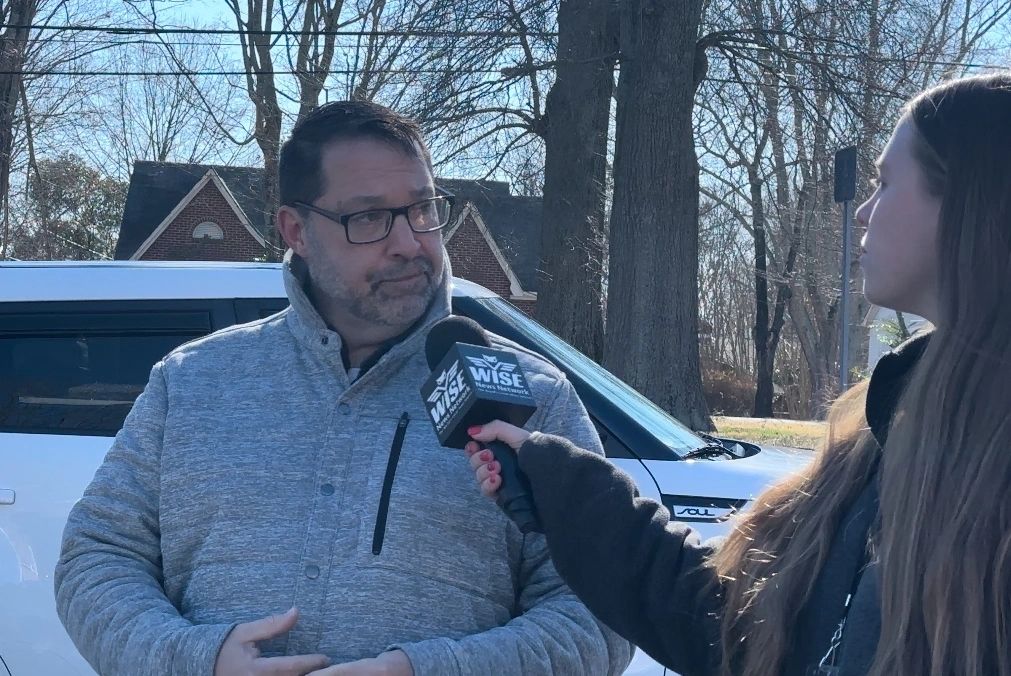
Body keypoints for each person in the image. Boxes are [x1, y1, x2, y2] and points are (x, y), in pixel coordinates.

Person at [54, 101, 632, 676]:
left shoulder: (535, 396)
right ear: (296, 230)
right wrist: (196, 660)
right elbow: (99, 558)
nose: (409, 242)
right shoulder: (192, 380)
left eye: (423, 209)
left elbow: (600, 612)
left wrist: (424, 671)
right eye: (370, 218)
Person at [465, 72, 1011, 676]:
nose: (864, 215)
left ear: (972, 204)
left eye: (885, 184)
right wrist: (565, 487)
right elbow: (732, 624)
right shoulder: (883, 431)